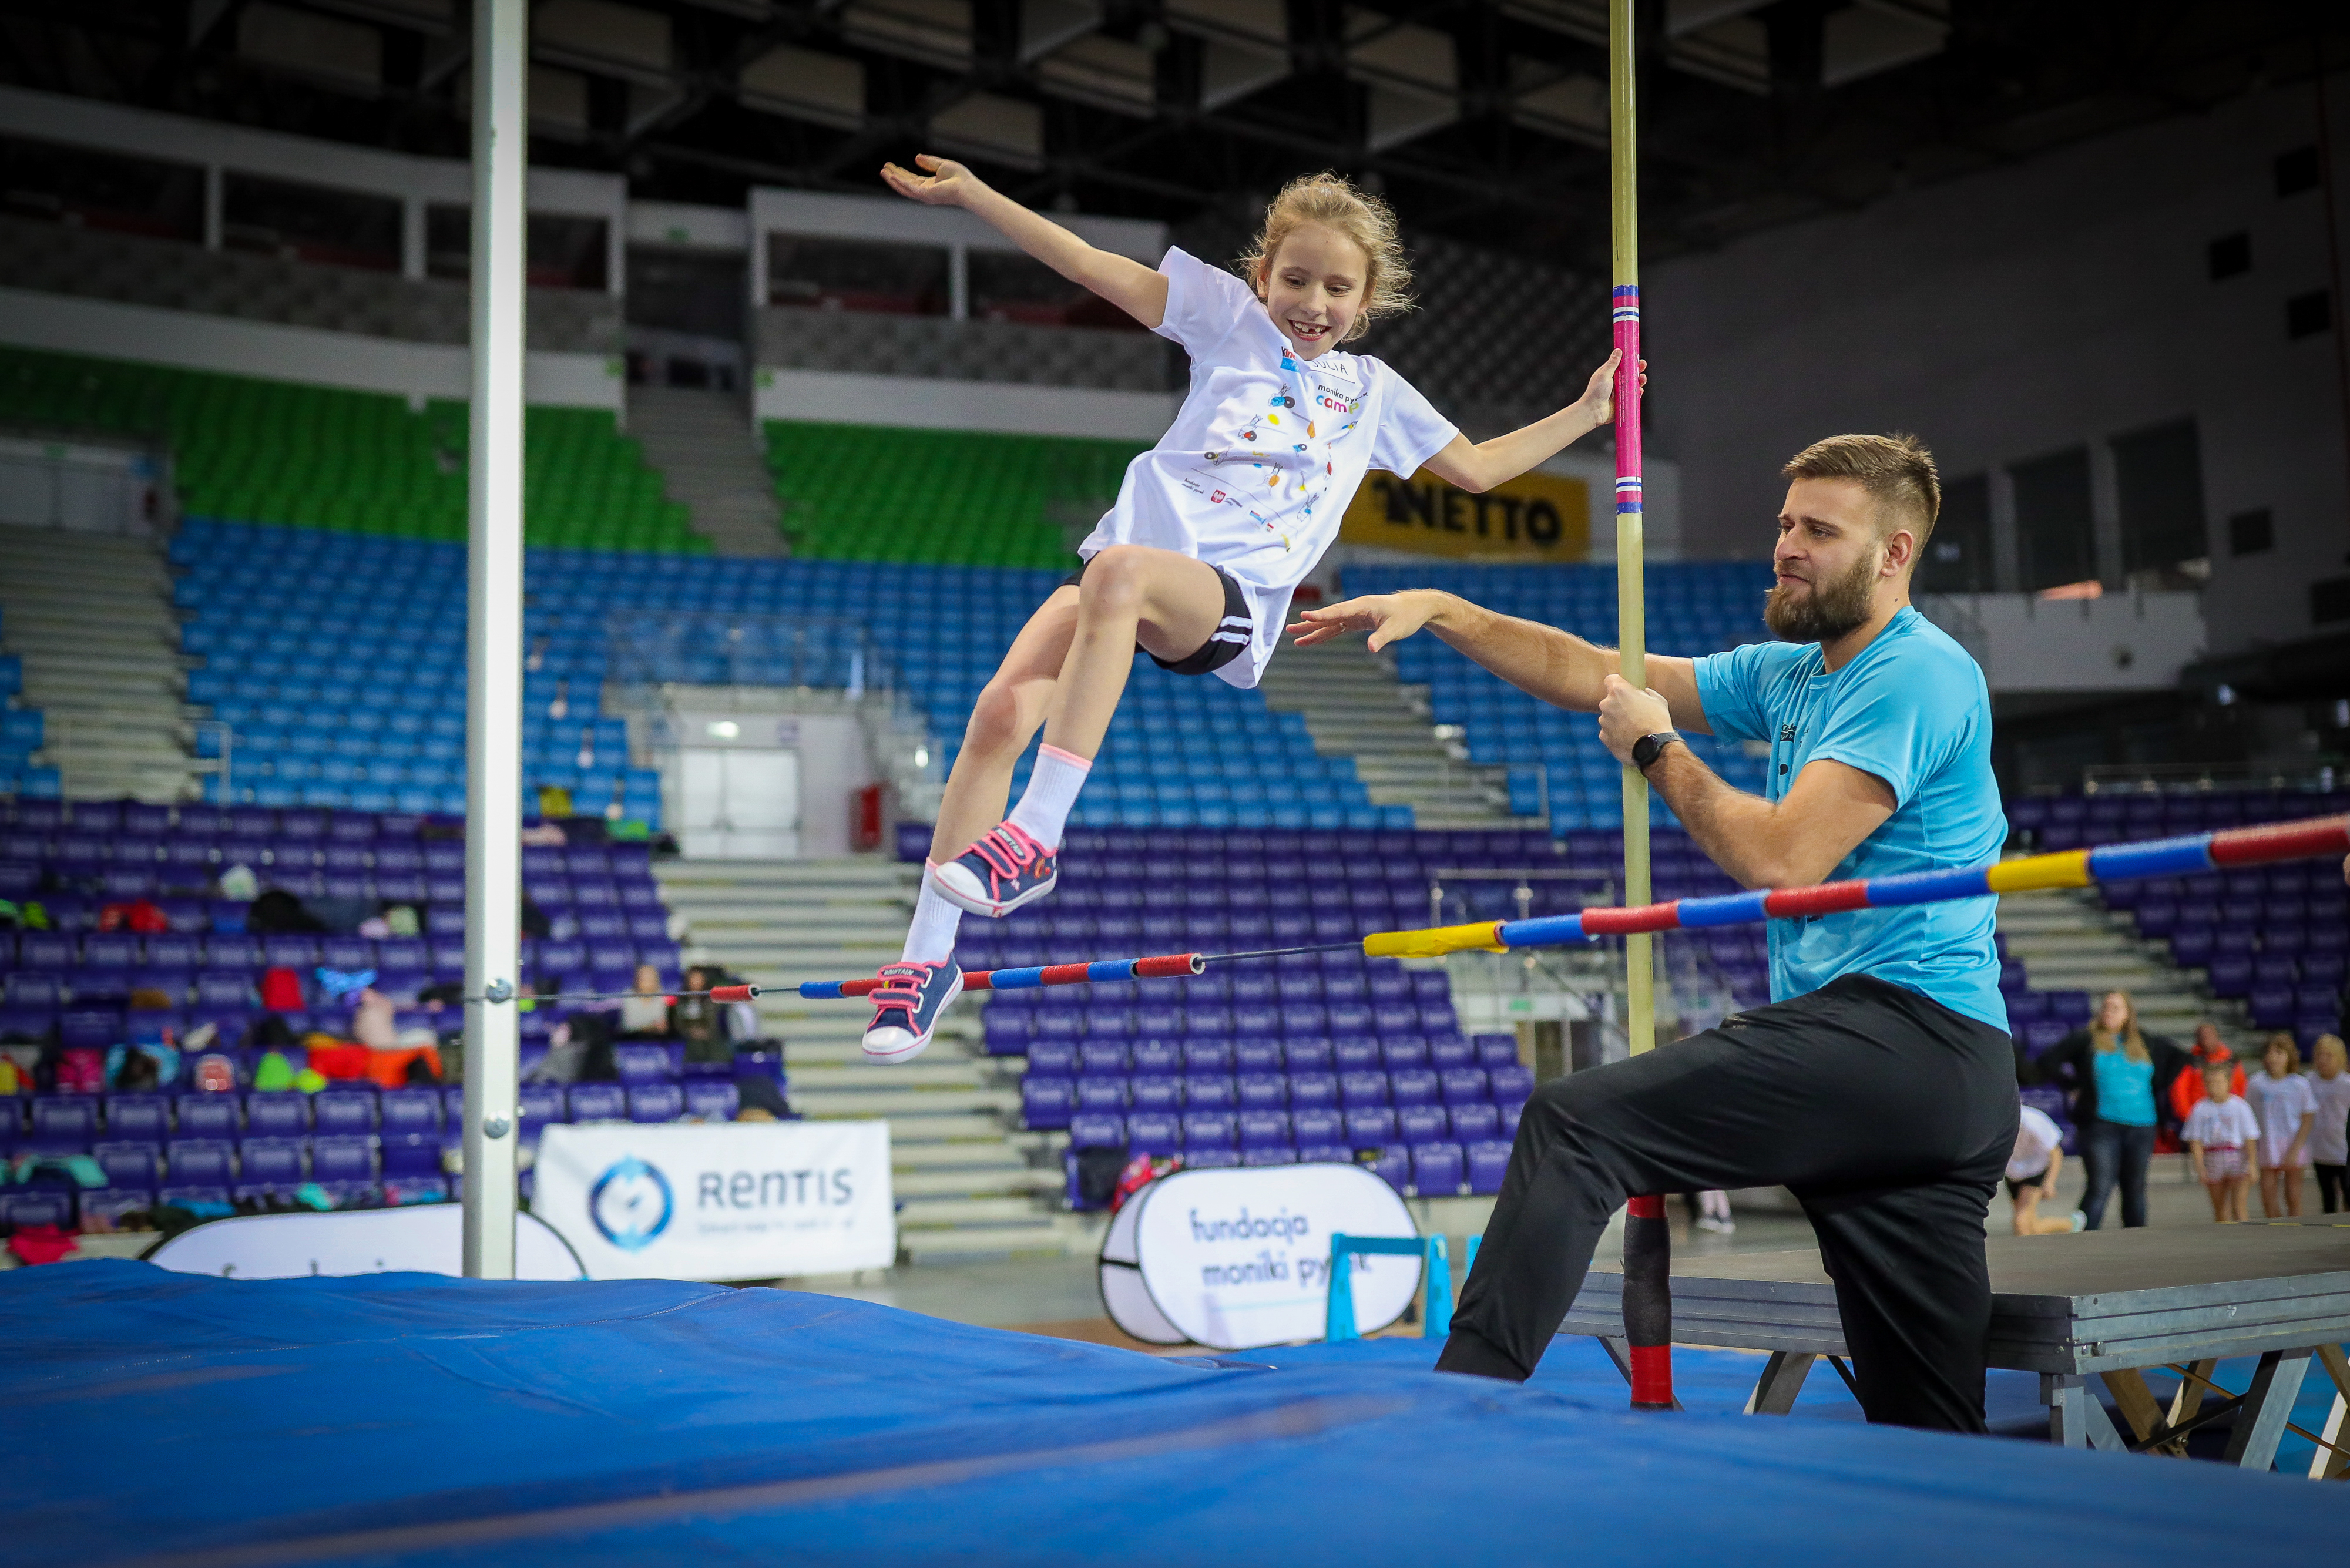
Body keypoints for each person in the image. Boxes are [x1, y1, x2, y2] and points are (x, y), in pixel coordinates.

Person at [1301, 432, 2016, 1432]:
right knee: (1929, 1428)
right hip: (1925, 1078)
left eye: (1819, 530)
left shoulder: (1917, 673)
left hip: (1908, 1037)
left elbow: (1781, 860)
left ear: (1894, 553)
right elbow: (1600, 671)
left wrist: (1656, 748)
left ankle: (1452, 1419)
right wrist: (1449, 611)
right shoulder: (1793, 675)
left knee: (1575, 1125)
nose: (1787, 546)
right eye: (1785, 523)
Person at [858, 155, 1639, 1065]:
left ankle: (1035, 835)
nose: (1313, 302)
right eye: (1296, 279)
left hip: (1226, 604)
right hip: (1128, 575)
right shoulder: (1225, 318)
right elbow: (1086, 263)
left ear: (1366, 300)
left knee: (1118, 576)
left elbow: (1478, 468)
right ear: (1262, 276)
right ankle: (926, 965)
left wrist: (1589, 412)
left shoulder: (1372, 391)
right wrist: (974, 197)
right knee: (998, 713)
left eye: (1337, 289)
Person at [2035, 990, 2188, 1230]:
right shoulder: (2087, 1039)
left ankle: (2137, 1241)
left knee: (2135, 1189)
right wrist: (2073, 1085)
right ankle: (2085, 1238)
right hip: (2101, 1126)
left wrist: (2159, 1084)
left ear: (2128, 1014)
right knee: (2100, 1186)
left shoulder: (2145, 1041)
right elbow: (2047, 1061)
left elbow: (2181, 1057)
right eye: (2106, 1006)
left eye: (2115, 1008)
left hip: (2142, 1126)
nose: (2108, 1011)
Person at [2245, 1031, 2317, 1218]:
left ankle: (2296, 1230)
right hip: (2267, 1143)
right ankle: (2276, 1229)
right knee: (2268, 1197)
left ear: (2289, 1056)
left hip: (2293, 1143)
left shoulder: (2300, 1084)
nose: (2273, 1058)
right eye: (2270, 1053)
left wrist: (2296, 1148)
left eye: (2279, 1053)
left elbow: (2308, 1118)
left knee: (2293, 1197)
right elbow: (2249, 1114)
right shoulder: (2256, 1083)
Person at [2183, 1059, 2260, 1223]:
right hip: (2213, 1158)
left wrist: (2253, 1164)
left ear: (2229, 1082)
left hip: (2237, 1157)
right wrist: (2200, 1167)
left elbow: (2250, 1138)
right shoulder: (2200, 1109)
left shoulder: (2240, 1107)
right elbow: (2195, 1141)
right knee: (2220, 1209)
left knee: (2239, 1207)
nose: (2215, 1087)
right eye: (2210, 1083)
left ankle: (2244, 1234)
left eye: (2219, 1082)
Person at [2006, 1104, 2084, 1235]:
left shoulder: (2031, 1122)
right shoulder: (1995, 1123)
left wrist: (2049, 1183)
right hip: (2013, 1172)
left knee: (2021, 1222)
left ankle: (2028, 1251)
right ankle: (2070, 1224)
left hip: (2035, 1170)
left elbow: (2056, 1153)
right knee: (2032, 1226)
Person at [2168, 1021, 2247, 1124]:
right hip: (2199, 1118)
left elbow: (2241, 1088)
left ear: (2217, 1036)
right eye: (2203, 1037)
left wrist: (2236, 1111)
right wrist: (2189, 1117)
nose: (2207, 1040)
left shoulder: (2231, 1060)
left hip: (2228, 1116)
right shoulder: (2190, 1061)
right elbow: (2179, 1091)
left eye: (2210, 1036)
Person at [2308, 1033, 2349, 1214]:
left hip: (2344, 1150)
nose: (2323, 1060)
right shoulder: (2309, 1081)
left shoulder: (2346, 1084)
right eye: (2319, 1055)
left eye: (2328, 1056)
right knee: (2328, 1197)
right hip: (2320, 1151)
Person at [617, 963, 671, 1039]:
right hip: (630, 1040)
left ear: (656, 979)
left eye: (648, 977)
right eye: (641, 976)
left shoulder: (661, 996)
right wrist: (651, 1027)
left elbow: (662, 1027)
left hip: (656, 1040)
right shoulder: (627, 996)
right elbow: (628, 1027)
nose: (643, 979)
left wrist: (647, 1027)